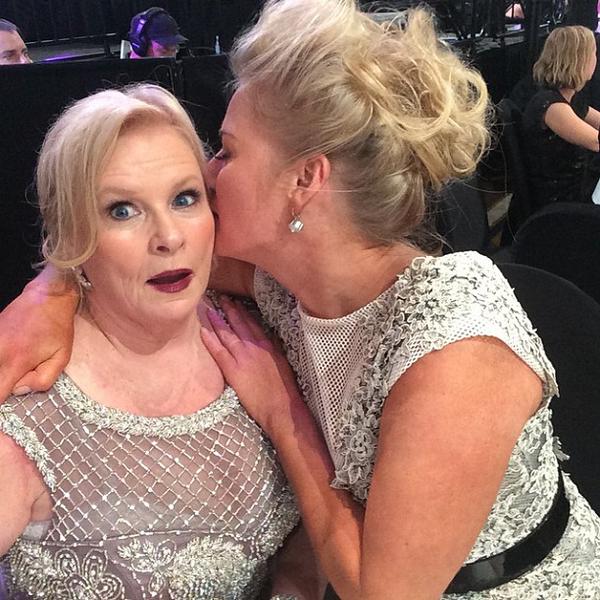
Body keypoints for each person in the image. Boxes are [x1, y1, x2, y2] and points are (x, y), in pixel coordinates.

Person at [1, 0, 600, 598]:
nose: (208, 174)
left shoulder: (456, 347)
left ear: (304, 179)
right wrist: (51, 290)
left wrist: (282, 411)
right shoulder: (289, 286)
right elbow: (132, 261)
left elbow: (382, 593)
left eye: (227, 151)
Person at [0, 83, 323, 600]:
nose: (169, 237)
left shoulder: (264, 331)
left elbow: (309, 535)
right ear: (73, 232)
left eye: (184, 198)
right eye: (122, 210)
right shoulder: (27, 409)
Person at [521, 25, 600, 208]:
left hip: (577, 188)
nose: (596, 59)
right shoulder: (552, 106)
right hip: (560, 201)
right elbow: (596, 142)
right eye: (593, 53)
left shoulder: (570, 98)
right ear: (578, 60)